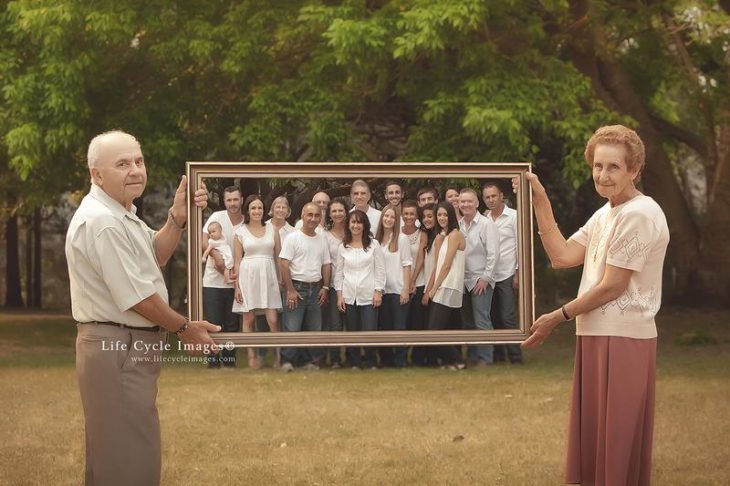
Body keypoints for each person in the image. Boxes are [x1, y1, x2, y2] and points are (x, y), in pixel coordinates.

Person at [517, 125, 669, 485]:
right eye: (598, 166)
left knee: (615, 444)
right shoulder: (605, 213)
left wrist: (558, 316)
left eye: (614, 167)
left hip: (625, 340)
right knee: (595, 442)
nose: (603, 175)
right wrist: (539, 198)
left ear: (635, 170)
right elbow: (562, 256)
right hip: (595, 334)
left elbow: (613, 286)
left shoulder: (640, 213)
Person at [66, 130, 219, 486]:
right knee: (129, 465)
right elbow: (136, 297)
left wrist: (177, 218)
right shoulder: (103, 222)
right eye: (122, 164)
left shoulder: (121, 214)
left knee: (120, 458)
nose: (135, 170)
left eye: (138, 161)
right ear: (96, 175)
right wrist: (185, 328)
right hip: (118, 348)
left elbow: (154, 257)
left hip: (125, 347)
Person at [279, 202, 332, 372]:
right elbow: (284, 264)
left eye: (317, 215)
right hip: (297, 287)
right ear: (302, 215)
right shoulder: (293, 238)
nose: (313, 219)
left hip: (316, 288)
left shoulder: (322, 239)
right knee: (292, 327)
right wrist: (291, 290)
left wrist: (325, 287)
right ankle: (287, 361)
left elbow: (326, 264)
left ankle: (309, 361)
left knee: (314, 328)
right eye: (310, 215)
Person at [233, 195, 283, 369]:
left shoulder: (272, 230)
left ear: (264, 210)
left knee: (273, 319)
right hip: (248, 277)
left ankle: (279, 356)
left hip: (269, 276)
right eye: (253, 208)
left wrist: (281, 279)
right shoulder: (240, 232)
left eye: (260, 208)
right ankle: (251, 357)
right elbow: (237, 261)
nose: (257, 211)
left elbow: (278, 258)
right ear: (247, 210)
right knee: (248, 318)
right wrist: (236, 287)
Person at [334, 210, 386, 370]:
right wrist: (339, 295)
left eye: (359, 222)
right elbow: (339, 273)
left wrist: (378, 291)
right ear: (348, 225)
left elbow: (380, 270)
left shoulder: (373, 245)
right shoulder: (343, 246)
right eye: (353, 222)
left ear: (364, 225)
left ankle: (370, 361)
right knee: (352, 330)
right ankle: (354, 361)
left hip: (369, 295)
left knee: (369, 329)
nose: (356, 225)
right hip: (349, 296)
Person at [201, 185, 243, 368]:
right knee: (213, 323)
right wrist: (215, 256)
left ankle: (229, 361)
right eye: (229, 200)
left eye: (235, 199)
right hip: (212, 281)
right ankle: (213, 361)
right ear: (224, 201)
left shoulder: (246, 222)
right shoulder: (216, 217)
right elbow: (203, 239)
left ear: (241, 200)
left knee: (232, 324)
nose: (232, 203)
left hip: (235, 281)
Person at [458, 187, 500, 368]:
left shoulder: (486, 223)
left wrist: (485, 278)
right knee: (467, 322)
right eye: (462, 202)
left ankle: (486, 358)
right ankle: (473, 356)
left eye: (469, 201)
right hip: (462, 280)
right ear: (459, 204)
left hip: (480, 280)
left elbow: (494, 254)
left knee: (482, 319)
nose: (466, 204)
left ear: (476, 203)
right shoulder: (458, 225)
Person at [482, 182, 523, 364]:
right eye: (487, 197)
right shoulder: (483, 218)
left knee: (507, 317)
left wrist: (518, 273)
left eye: (493, 196)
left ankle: (515, 356)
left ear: (501, 196)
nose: (491, 200)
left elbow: (522, 246)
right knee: (493, 317)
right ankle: (499, 356)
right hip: (488, 275)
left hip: (507, 273)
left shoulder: (514, 217)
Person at [423, 202, 466, 369]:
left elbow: (447, 265)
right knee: (448, 327)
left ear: (451, 216)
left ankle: (459, 361)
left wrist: (434, 288)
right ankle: (452, 362)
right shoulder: (443, 236)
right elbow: (437, 264)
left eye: (445, 215)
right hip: (444, 285)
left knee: (434, 329)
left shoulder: (455, 235)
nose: (441, 218)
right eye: (439, 215)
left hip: (449, 286)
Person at [375, 205, 412, 368]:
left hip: (398, 290)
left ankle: (401, 360)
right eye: (386, 216)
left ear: (396, 221)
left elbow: (407, 264)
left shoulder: (402, 239)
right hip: (382, 291)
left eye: (392, 217)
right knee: (385, 327)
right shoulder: (375, 241)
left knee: (399, 327)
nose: (388, 220)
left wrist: (405, 289)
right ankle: (386, 360)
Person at [322, 197, 350, 368]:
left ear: (346, 212)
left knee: (354, 324)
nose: (338, 214)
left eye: (341, 210)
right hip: (333, 285)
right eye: (334, 211)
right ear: (329, 214)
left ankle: (354, 357)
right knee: (335, 323)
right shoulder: (324, 235)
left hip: (354, 284)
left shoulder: (354, 231)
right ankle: (334, 359)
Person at [402, 200, 428, 365]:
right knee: (403, 323)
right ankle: (402, 357)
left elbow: (420, 259)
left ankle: (418, 358)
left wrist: (412, 281)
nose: (409, 217)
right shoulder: (397, 233)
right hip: (402, 284)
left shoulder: (422, 234)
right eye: (406, 213)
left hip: (419, 283)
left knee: (418, 323)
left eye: (412, 214)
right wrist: (406, 284)